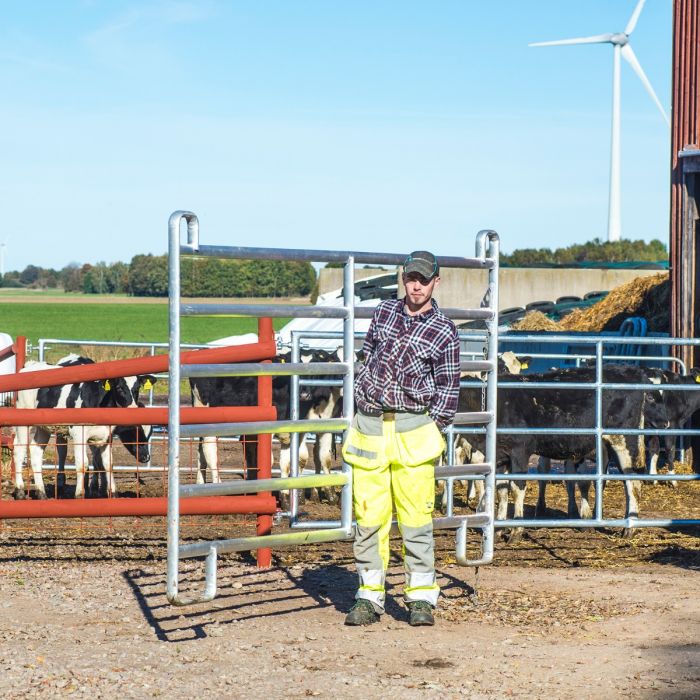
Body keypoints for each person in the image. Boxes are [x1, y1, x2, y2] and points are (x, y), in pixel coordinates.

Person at [341, 250, 460, 627]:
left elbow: (448, 390)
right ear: (403, 278)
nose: (416, 285)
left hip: (413, 429)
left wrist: (432, 426)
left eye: (423, 279)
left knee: (415, 519)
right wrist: (364, 391)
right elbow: (368, 355)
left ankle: (421, 598)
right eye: (411, 277)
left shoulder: (444, 330)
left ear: (435, 282)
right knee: (369, 517)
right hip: (371, 427)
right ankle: (369, 596)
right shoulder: (384, 312)